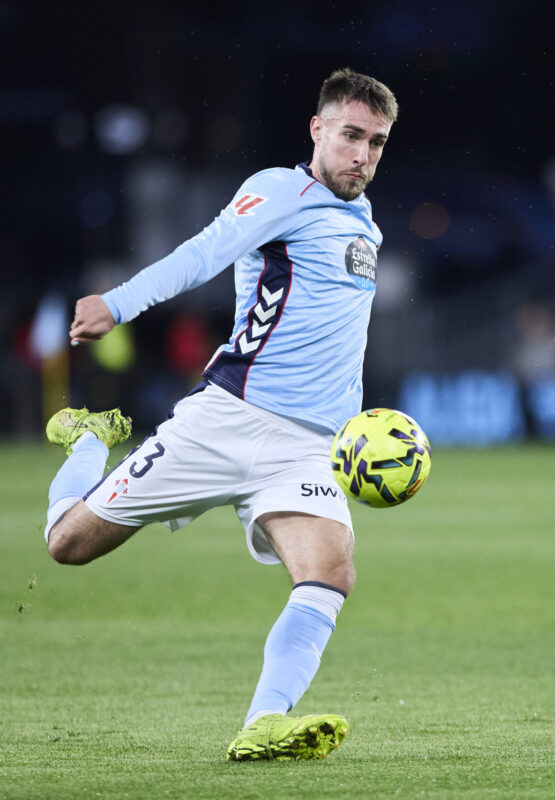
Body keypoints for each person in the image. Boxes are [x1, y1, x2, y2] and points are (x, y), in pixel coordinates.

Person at [40, 68, 398, 762]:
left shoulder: (364, 222)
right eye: (351, 135)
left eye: (377, 142)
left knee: (330, 573)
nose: (362, 154)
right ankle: (87, 440)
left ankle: (263, 724)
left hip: (306, 449)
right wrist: (118, 303)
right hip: (227, 422)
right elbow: (204, 252)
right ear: (318, 129)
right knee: (67, 544)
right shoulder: (282, 190)